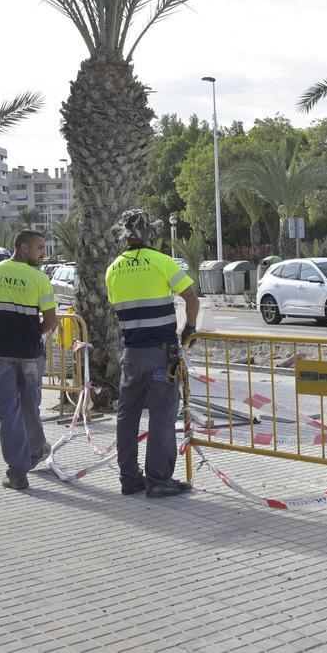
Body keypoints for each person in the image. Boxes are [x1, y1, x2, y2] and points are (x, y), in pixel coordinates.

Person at [105, 209, 200, 498]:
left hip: (131, 353)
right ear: (151, 235)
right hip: (160, 353)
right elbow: (191, 297)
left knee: (127, 415)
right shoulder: (162, 262)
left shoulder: (113, 269)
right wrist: (189, 329)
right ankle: (158, 480)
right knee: (162, 415)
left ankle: (130, 478)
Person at [0, 230, 58, 490]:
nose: (43, 253)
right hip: (30, 354)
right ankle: (35, 450)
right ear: (22, 247)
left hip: (1, 354)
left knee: (7, 412)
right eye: (39, 248)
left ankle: (19, 472)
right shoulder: (39, 278)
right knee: (30, 407)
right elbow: (51, 321)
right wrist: (32, 334)